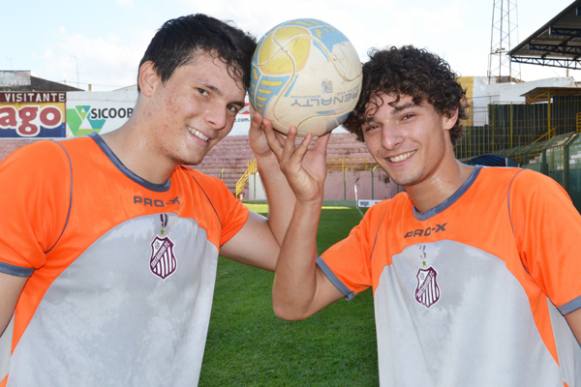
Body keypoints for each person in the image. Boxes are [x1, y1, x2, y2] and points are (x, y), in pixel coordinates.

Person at [0, 14, 326, 386]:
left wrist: (268, 160)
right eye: (204, 92)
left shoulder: (206, 196)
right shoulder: (47, 173)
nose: (220, 119)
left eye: (234, 107)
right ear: (150, 78)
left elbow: (289, 257)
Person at [266, 45, 581, 386]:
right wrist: (308, 199)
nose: (389, 140)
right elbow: (292, 304)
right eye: (373, 126)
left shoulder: (525, 197)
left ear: (448, 113)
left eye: (406, 116)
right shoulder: (380, 224)